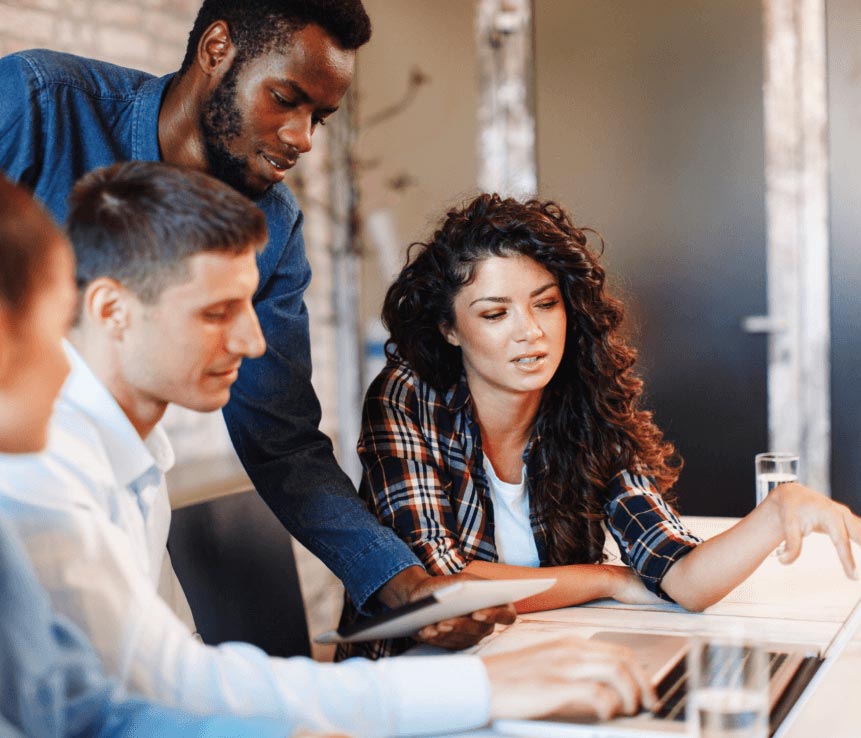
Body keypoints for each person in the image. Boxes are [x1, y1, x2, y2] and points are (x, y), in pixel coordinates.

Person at [0, 162, 656, 735]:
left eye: (250, 305)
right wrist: (486, 688)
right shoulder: (46, 470)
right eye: (215, 312)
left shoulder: (131, 453)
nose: (255, 343)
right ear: (110, 310)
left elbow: (137, 691)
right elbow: (162, 684)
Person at [0, 0, 506, 645]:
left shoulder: (276, 224)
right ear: (217, 50)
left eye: (320, 117)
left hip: (118, 515)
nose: (302, 138)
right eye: (285, 99)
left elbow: (280, 436)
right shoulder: (38, 104)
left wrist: (399, 582)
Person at [339, 193, 861, 659]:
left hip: (547, 659)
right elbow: (445, 585)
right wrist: (606, 579)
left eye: (546, 304)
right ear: (450, 329)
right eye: (495, 314)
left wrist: (777, 512)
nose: (532, 332)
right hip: (415, 682)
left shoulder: (586, 402)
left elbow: (682, 576)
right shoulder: (409, 395)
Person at [0, 173, 294, 738]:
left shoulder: (139, 455)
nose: (66, 367)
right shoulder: (47, 472)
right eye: (51, 329)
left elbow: (96, 707)